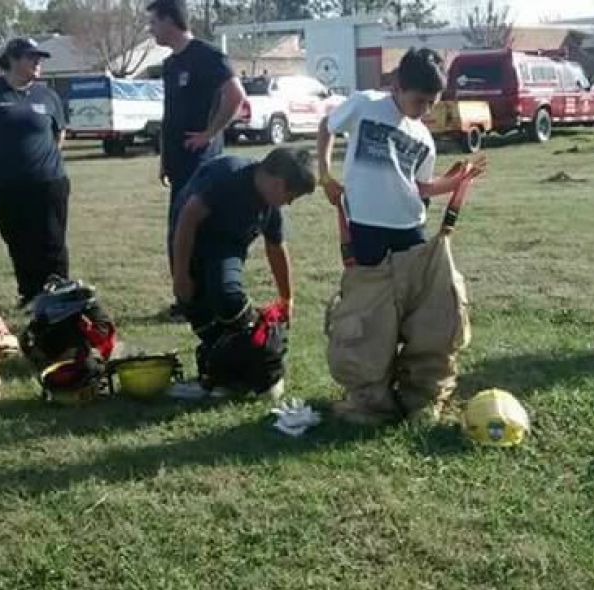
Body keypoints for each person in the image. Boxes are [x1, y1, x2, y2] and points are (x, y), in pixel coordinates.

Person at [317, 48, 485, 425]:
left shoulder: (423, 136)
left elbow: (420, 186)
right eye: (419, 100)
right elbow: (327, 127)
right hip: (366, 229)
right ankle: (370, 397)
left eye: (431, 103)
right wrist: (325, 176)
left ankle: (420, 395)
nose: (424, 110)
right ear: (398, 85)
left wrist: (455, 183)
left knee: (424, 313)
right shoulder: (365, 105)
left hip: (410, 231)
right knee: (370, 313)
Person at [171, 147, 316, 395]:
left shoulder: (270, 204)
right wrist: (181, 274)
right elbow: (187, 219)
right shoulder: (227, 177)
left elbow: (276, 248)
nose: (289, 203)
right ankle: (225, 369)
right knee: (200, 315)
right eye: (291, 196)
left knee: (228, 299)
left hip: (228, 246)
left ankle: (255, 359)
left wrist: (287, 298)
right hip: (192, 238)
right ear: (279, 184)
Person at [147, 0, 245, 314]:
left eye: (153, 22)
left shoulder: (207, 56)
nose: (151, 29)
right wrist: (165, 156)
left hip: (201, 162)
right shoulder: (170, 64)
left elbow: (236, 96)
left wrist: (210, 132)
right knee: (176, 227)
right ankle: (185, 296)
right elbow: (169, 114)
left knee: (193, 228)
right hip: (177, 161)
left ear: (168, 20)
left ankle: (197, 296)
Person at [0, 38, 70, 308]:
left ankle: (60, 296)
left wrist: (45, 157)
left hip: (47, 181)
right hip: (2, 184)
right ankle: (30, 294)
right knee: (18, 241)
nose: (38, 63)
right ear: (13, 60)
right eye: (32, 57)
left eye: (39, 59)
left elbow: (59, 132)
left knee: (52, 241)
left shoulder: (47, 95)